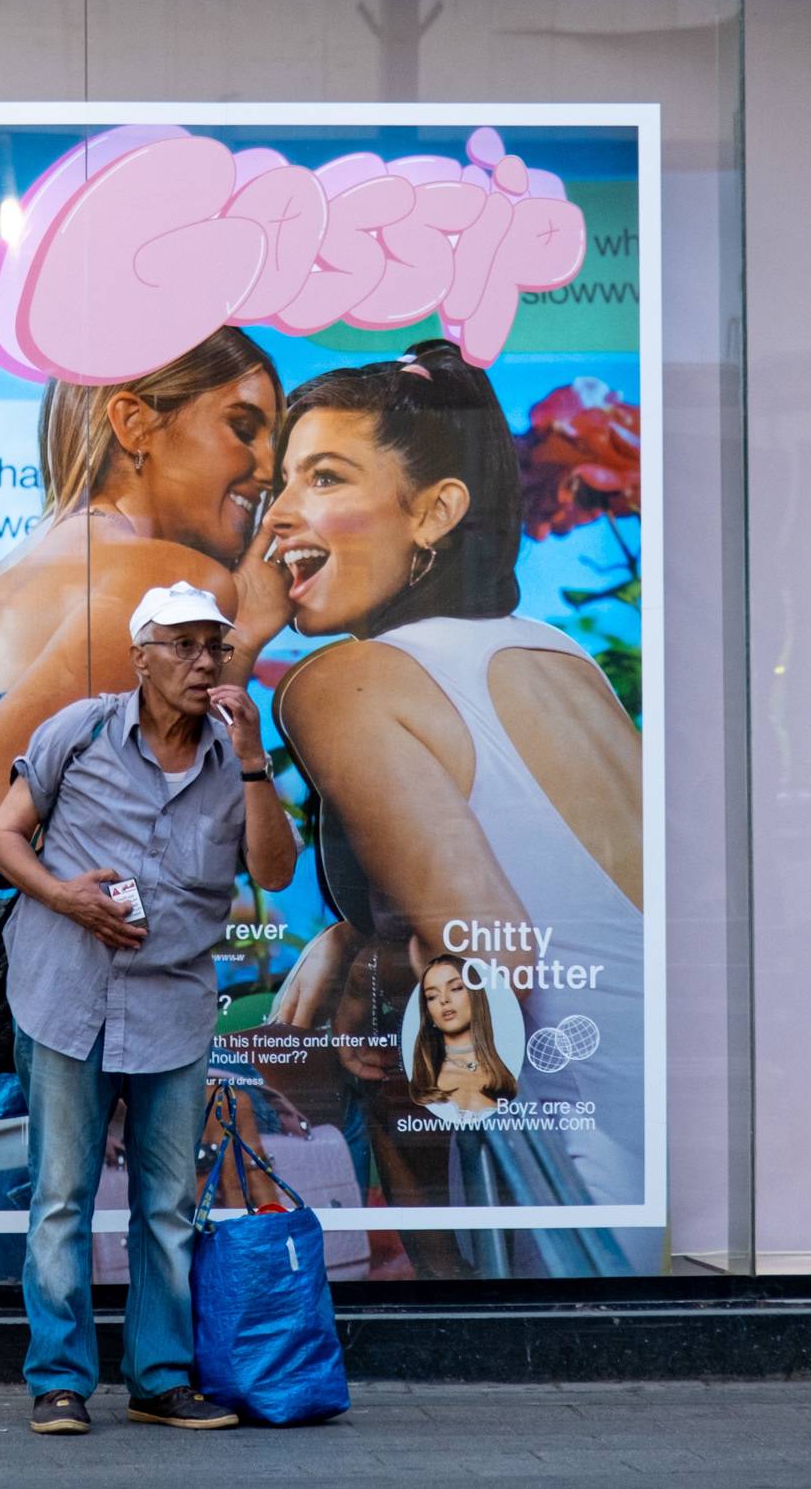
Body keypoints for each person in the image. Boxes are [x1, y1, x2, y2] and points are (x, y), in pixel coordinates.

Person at [0, 327, 289, 1282]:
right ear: (133, 424)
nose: (269, 466)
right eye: (243, 426)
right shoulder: (158, 580)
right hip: (13, 1076)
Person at [264, 339, 658, 1274]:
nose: (276, 514)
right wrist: (351, 942)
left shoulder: (346, 681)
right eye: (282, 481)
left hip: (564, 1205)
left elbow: (491, 956)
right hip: (661, 1176)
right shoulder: (555, 654)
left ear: (436, 512)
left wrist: (370, 983)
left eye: (325, 477)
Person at [0, 580, 297, 1434]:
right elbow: (1, 834)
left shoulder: (234, 758)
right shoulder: (80, 732)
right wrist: (63, 896)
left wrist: (255, 757)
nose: (203, 662)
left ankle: (160, 1380)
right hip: (66, 997)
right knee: (61, 1197)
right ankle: (58, 1382)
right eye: (183, 645)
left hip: (172, 1010)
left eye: (214, 647)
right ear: (141, 658)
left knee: (167, 1204)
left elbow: (274, 871)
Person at [410, 955, 517, 1115]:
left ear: (476, 996)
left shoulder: (505, 1077)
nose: (444, 1000)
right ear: (428, 1012)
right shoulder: (425, 1080)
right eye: (432, 996)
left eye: (456, 988)